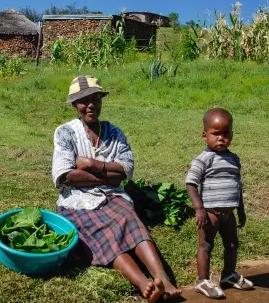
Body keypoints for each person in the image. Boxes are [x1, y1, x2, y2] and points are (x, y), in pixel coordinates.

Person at [52, 75, 181, 302]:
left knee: (130, 220)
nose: (91, 104)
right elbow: (66, 176)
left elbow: (125, 171)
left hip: (113, 196)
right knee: (104, 233)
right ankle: (144, 284)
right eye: (84, 100)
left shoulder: (115, 133)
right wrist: (107, 175)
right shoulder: (65, 133)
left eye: (96, 98)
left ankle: (163, 279)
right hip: (76, 201)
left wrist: (93, 164)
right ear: (75, 105)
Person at [185, 108, 254, 299]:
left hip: (228, 214)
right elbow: (191, 183)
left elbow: (237, 187)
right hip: (210, 213)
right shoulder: (203, 159)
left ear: (232, 134)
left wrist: (241, 211)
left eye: (226, 133)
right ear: (205, 135)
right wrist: (199, 209)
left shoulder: (234, 159)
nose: (221, 138)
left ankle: (228, 276)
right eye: (216, 134)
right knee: (206, 245)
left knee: (232, 244)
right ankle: (202, 281)